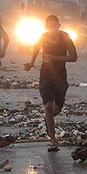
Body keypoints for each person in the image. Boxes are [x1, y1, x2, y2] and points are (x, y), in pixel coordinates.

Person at [24, 15, 77, 151]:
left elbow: (74, 57)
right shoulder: (42, 37)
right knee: (48, 106)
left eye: (55, 26)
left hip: (60, 77)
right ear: (46, 26)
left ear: (59, 26)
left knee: (56, 109)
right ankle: (53, 140)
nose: (52, 29)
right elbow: (36, 49)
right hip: (45, 75)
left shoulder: (65, 37)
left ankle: (48, 121)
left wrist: (55, 58)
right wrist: (31, 63)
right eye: (50, 26)